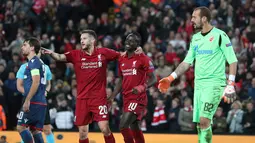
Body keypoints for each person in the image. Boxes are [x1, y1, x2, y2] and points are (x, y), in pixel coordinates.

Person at [41, 29, 142, 143]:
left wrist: (136, 51)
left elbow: (123, 55)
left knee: (105, 128)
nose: (82, 41)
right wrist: (51, 53)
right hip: (82, 99)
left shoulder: (103, 52)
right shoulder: (76, 54)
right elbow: (60, 57)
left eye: (84, 38)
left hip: (99, 98)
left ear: (93, 40)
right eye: (81, 39)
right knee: (83, 133)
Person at [158, 6, 237, 143]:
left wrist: (230, 84)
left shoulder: (220, 35)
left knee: (204, 120)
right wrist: (170, 78)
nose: (191, 20)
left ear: (204, 19)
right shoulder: (195, 38)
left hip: (214, 84)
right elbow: (186, 62)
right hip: (199, 85)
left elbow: (233, 60)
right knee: (200, 125)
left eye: (194, 17)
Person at [108, 32, 156, 143]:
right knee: (135, 127)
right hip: (126, 97)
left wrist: (142, 87)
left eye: (132, 40)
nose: (128, 42)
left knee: (123, 125)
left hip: (138, 97)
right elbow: (121, 80)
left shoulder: (143, 58)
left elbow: (153, 78)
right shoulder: (122, 59)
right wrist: (112, 96)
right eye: (127, 40)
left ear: (137, 44)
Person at [16, 51, 55, 143]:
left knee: (46, 128)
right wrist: (31, 95)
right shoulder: (23, 67)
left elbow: (48, 84)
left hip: (41, 100)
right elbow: (19, 86)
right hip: (28, 100)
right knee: (25, 127)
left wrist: (45, 91)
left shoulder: (46, 68)